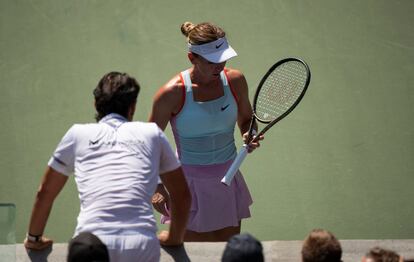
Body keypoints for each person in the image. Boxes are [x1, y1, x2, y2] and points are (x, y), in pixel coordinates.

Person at [24, 72, 191, 262]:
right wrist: (174, 238)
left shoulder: (77, 134)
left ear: (96, 104)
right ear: (133, 107)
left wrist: (34, 239)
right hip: (141, 246)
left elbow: (45, 192)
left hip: (90, 248)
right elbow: (181, 195)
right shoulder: (152, 133)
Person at [149, 21, 263, 242]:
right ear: (192, 58)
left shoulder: (236, 81)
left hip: (228, 180)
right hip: (186, 185)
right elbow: (148, 143)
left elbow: (247, 119)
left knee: (224, 250)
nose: (220, 66)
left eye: (224, 59)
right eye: (212, 62)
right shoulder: (172, 93)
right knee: (194, 253)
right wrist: (157, 186)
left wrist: (248, 132)